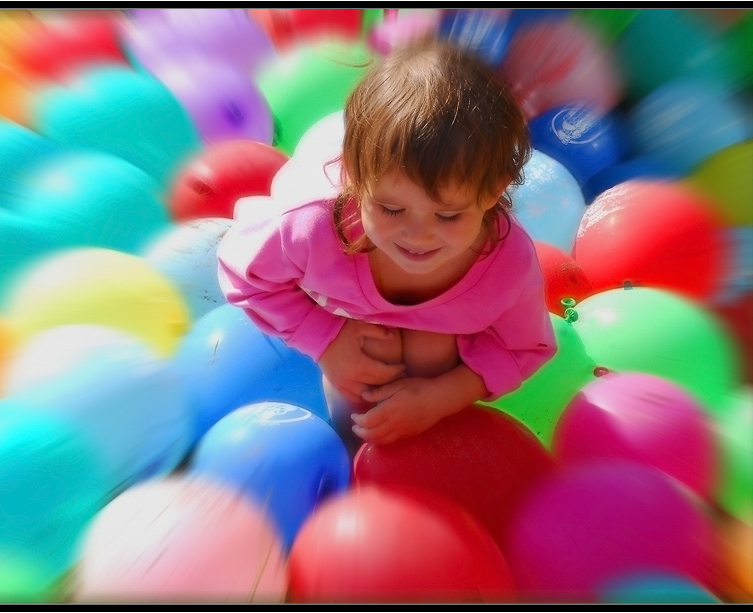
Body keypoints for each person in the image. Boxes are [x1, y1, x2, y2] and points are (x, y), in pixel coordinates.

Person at [218, 37, 556, 452]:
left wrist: (440, 399)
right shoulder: (310, 226)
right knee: (369, 355)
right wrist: (327, 341)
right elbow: (243, 271)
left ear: (491, 193)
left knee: (429, 352)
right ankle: (352, 447)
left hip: (439, 339)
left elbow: (523, 346)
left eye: (447, 215)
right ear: (356, 177)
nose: (417, 236)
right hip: (354, 328)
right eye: (391, 209)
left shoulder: (506, 263)